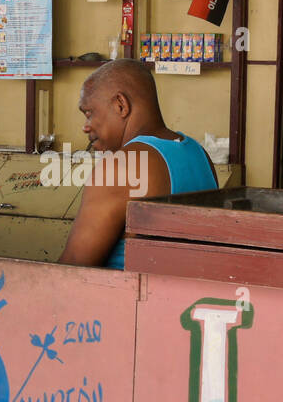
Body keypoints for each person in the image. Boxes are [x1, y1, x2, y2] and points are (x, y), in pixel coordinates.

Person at [58, 59, 217, 269]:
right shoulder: (198, 152)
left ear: (120, 105)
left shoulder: (121, 167)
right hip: (190, 299)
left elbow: (71, 271)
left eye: (89, 114)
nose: (85, 128)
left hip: (127, 300)